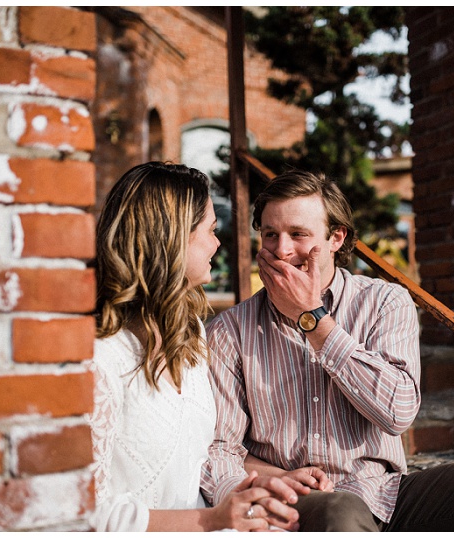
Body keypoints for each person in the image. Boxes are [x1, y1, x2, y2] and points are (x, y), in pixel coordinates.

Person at [203, 170, 454, 531]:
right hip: (299, 503)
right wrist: (278, 483)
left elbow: (398, 412)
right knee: (340, 510)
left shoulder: (385, 302)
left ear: (336, 237)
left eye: (298, 234)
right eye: (271, 234)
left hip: (386, 494)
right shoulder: (230, 330)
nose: (282, 250)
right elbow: (218, 451)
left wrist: (312, 318)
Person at [88, 162, 304, 531]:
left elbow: (195, 458)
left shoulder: (191, 337)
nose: (217, 243)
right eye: (210, 230)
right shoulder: (100, 356)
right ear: (170, 238)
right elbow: (82, 513)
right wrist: (209, 520)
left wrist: (258, 482)